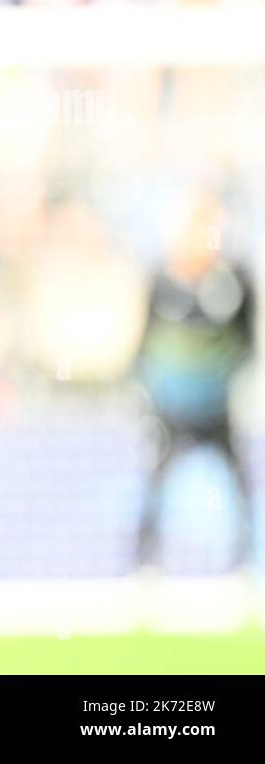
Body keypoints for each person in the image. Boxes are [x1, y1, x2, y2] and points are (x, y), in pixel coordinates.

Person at [133, 185, 256, 572]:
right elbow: (144, 342)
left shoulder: (233, 285)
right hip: (171, 409)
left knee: (238, 480)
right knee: (155, 480)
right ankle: (144, 562)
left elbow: (246, 342)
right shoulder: (162, 282)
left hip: (216, 407)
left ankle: (244, 561)